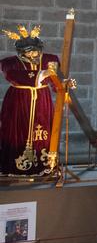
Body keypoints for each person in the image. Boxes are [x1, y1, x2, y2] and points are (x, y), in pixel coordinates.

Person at [0, 25, 58, 174]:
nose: (35, 54)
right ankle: (14, 167)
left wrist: (63, 86)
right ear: (21, 52)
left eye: (37, 50)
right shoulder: (8, 63)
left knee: (43, 131)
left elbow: (56, 80)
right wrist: (42, 74)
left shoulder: (49, 60)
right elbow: (12, 75)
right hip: (19, 101)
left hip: (42, 101)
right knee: (18, 130)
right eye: (31, 51)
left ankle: (44, 166)